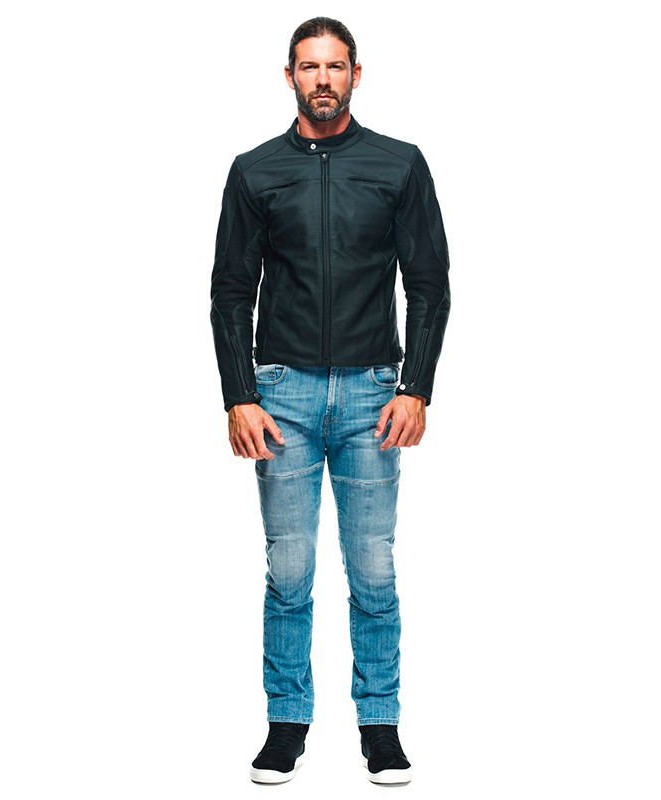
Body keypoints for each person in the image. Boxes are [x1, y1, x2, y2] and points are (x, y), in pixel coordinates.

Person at [209, 16, 451, 785]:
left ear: (356, 74)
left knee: (373, 568)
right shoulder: (255, 171)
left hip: (373, 396)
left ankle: (380, 725)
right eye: (309, 67)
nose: (323, 79)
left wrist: (416, 387)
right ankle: (287, 722)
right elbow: (231, 291)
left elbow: (429, 284)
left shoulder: (397, 165)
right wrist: (240, 395)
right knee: (289, 569)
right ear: (289, 76)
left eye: (335, 66)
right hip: (280, 395)